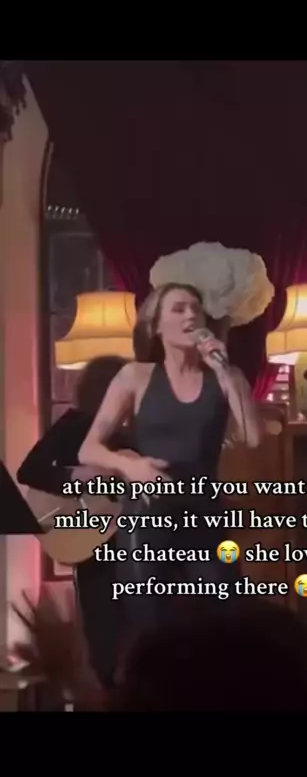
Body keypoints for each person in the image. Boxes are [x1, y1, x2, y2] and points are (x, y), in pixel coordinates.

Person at [78, 282, 262, 647]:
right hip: (148, 518)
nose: (191, 315)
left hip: (203, 518)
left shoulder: (228, 377)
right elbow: (89, 449)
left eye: (196, 308)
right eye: (178, 309)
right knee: (151, 628)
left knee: (224, 625)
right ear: (156, 326)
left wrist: (225, 372)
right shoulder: (135, 377)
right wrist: (129, 467)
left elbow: (254, 437)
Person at [16, 355, 129, 688]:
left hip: (140, 545)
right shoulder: (76, 424)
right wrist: (76, 477)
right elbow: (29, 471)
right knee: (102, 636)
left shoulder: (142, 432)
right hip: (93, 547)